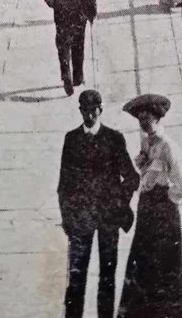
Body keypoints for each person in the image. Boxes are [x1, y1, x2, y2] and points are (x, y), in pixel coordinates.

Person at [58, 89, 139, 318]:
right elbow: (63, 184)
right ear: (80, 111)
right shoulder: (71, 139)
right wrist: (67, 217)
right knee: (76, 278)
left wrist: (118, 202)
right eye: (85, 110)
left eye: (93, 110)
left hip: (108, 220)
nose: (89, 115)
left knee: (107, 277)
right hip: (80, 220)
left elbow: (132, 178)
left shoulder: (114, 139)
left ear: (101, 110)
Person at [118, 94, 182, 318]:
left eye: (147, 118)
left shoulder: (168, 146)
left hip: (164, 213)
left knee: (166, 264)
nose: (143, 123)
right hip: (146, 209)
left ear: (157, 118)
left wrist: (166, 197)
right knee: (142, 262)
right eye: (140, 119)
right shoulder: (146, 141)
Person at [44, 0, 98, 96]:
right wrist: (91, 13)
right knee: (78, 46)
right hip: (79, 16)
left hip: (61, 16)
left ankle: (65, 74)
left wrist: (55, 4)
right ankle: (78, 77)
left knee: (63, 45)